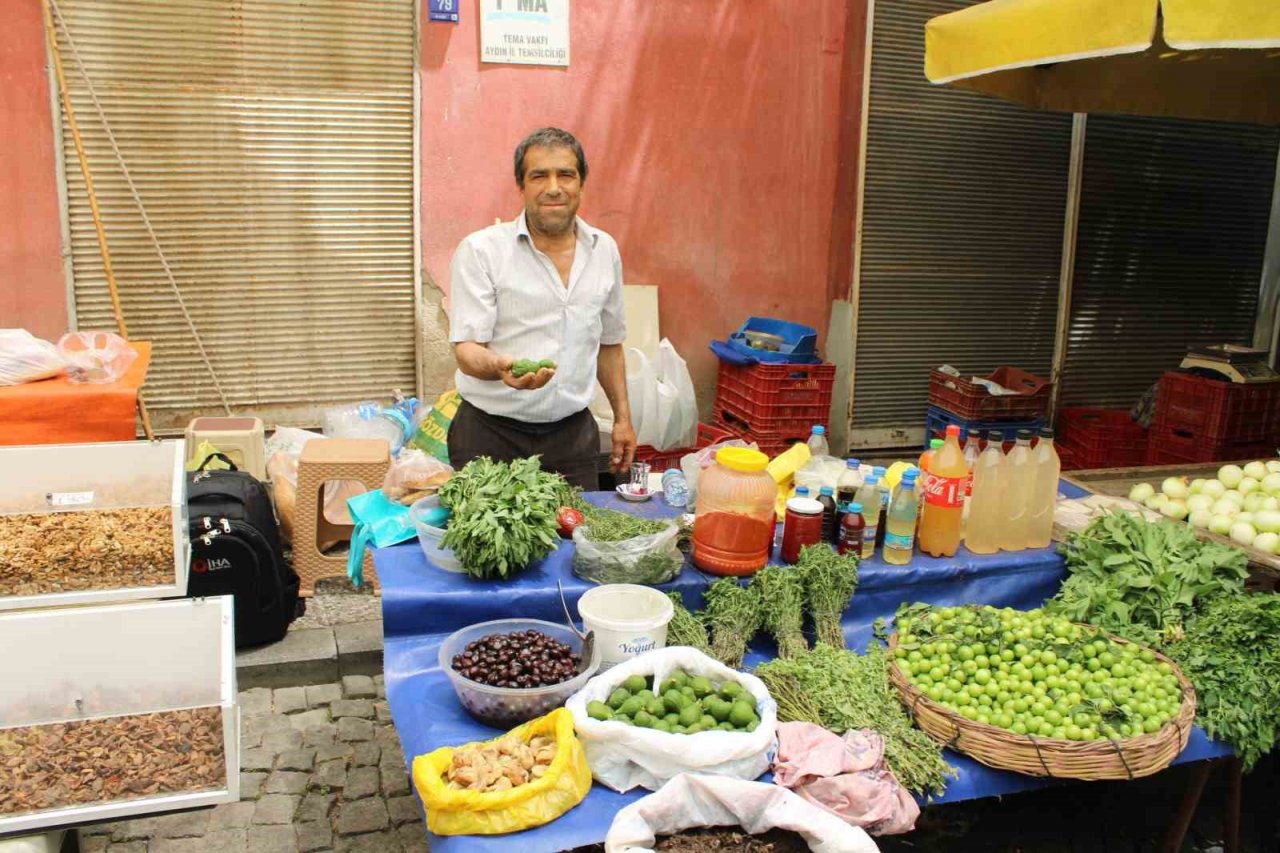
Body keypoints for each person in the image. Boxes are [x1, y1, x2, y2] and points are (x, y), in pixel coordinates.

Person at [446, 127, 636, 490]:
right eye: (539, 176)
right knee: (491, 543)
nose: (554, 187)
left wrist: (623, 419)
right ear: (521, 186)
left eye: (566, 174)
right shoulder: (482, 251)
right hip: (490, 436)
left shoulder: (604, 250)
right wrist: (498, 367)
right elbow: (467, 351)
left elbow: (610, 344)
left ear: (581, 183)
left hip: (572, 438)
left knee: (576, 540)